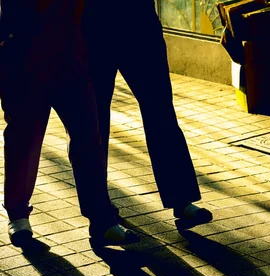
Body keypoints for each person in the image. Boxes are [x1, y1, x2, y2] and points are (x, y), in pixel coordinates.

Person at [0, 0, 139, 248]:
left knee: (87, 136)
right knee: (23, 136)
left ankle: (101, 221)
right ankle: (18, 215)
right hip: (22, 53)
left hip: (70, 54)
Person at [82, 0, 212, 229]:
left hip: (138, 21)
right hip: (92, 22)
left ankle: (181, 199)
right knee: (93, 120)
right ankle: (98, 209)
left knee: (160, 111)